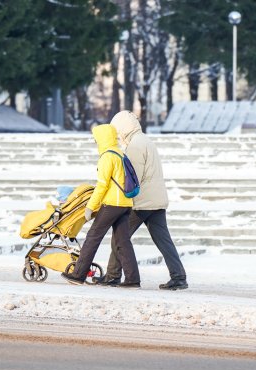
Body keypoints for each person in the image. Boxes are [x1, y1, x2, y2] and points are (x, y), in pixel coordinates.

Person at [95, 111, 188, 290]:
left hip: (142, 202)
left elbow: (132, 178)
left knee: (120, 237)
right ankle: (179, 276)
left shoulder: (135, 146)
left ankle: (113, 275)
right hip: (157, 199)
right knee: (163, 240)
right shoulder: (145, 140)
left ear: (123, 128)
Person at [61, 124, 140, 288]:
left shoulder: (107, 157)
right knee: (123, 241)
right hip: (126, 203)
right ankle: (133, 279)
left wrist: (90, 207)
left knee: (93, 237)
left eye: (96, 139)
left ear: (102, 138)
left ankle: (78, 274)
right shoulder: (120, 153)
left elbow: (102, 185)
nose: (95, 142)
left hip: (112, 204)